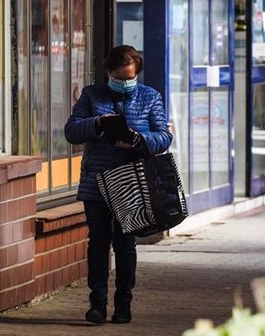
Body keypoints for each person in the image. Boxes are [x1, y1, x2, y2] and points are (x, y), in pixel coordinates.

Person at [64, 45, 173, 324]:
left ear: (137, 74)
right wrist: (98, 122)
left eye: (129, 78)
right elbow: (72, 131)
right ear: (108, 72)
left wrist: (138, 139)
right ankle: (97, 304)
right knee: (98, 242)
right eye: (118, 77)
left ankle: (123, 304)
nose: (124, 83)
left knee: (125, 245)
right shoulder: (91, 95)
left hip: (132, 183)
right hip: (96, 182)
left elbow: (163, 136)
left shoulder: (150, 97)